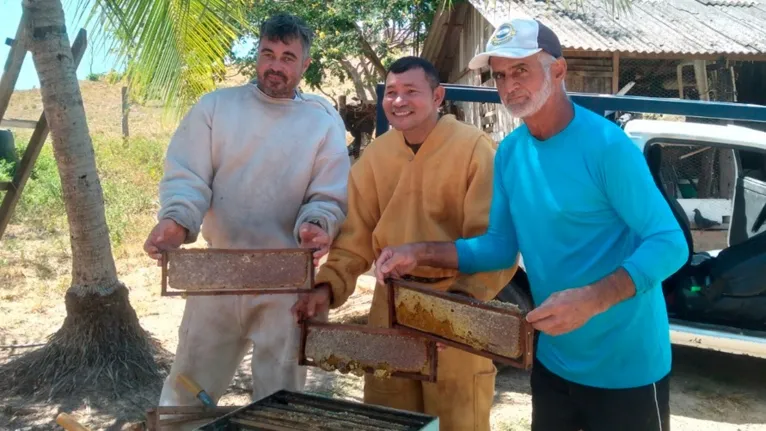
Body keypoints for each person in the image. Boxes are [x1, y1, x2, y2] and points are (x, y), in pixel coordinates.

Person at [373, 17, 689, 431]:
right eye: (500, 75)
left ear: (558, 71)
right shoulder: (509, 153)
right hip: (553, 361)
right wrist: (419, 252)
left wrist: (594, 298)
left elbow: (670, 242)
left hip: (626, 367)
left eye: (521, 69)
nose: (508, 85)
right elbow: (499, 248)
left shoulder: (608, 146)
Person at [291, 56, 517, 431]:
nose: (399, 101)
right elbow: (355, 237)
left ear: (438, 95)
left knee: (457, 417)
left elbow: (494, 240)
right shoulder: (378, 154)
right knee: (389, 415)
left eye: (411, 91)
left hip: (455, 307)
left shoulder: (474, 148)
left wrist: (463, 303)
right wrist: (327, 287)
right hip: (390, 308)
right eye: (391, 93)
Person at [143, 13, 351, 406]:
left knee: (280, 398)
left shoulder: (322, 121)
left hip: (286, 280)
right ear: (256, 56)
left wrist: (317, 225)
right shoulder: (216, 108)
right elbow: (188, 178)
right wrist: (175, 223)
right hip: (217, 273)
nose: (276, 65)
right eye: (268, 53)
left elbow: (327, 194)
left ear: (305, 65)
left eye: (288, 57)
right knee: (187, 391)